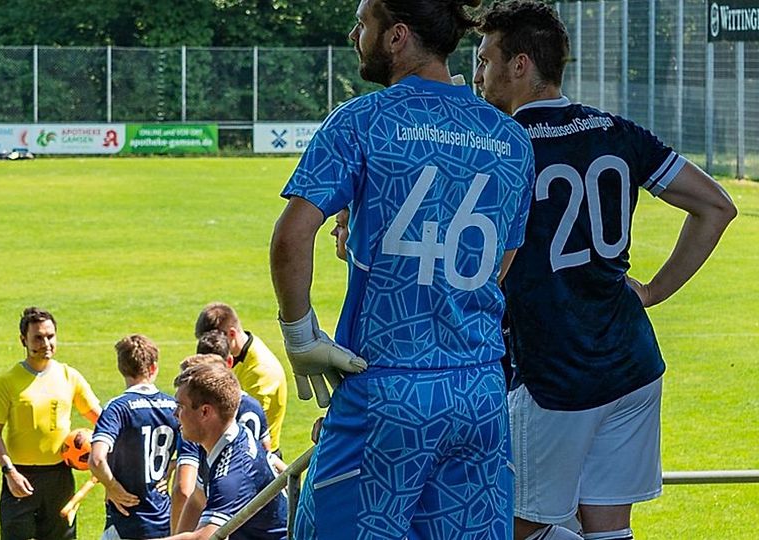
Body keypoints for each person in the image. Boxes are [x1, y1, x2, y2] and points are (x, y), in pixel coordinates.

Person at [270, 0, 537, 537]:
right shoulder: (511, 139)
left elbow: (292, 236)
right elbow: (499, 263)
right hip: (479, 391)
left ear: (396, 36)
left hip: (386, 388)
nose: (353, 34)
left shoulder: (362, 119)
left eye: (363, 23)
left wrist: (300, 336)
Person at [473, 3, 738, 540]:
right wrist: (653, 292)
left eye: (485, 60)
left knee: (516, 528)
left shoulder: (502, 147)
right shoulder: (617, 130)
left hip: (555, 374)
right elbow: (716, 206)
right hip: (632, 364)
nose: (477, 74)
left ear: (519, 65)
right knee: (609, 529)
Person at [0, 307, 102, 540]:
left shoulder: (70, 376)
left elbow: (101, 420)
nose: (46, 343)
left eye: (50, 336)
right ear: (23, 340)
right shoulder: (7, 382)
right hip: (20, 477)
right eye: (38, 337)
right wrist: (9, 471)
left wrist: (105, 454)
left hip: (59, 477)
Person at [159, 362, 287, 540]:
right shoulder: (215, 439)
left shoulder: (234, 473)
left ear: (205, 412)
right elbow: (197, 499)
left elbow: (207, 538)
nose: (175, 414)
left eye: (181, 407)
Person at [89, 334, 179, 540]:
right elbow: (194, 452)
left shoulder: (118, 407)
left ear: (121, 367)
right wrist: (170, 469)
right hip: (164, 518)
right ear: (154, 367)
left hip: (126, 521)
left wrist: (112, 486)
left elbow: (96, 459)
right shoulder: (173, 406)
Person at [193, 303, 287, 455]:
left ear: (231, 334)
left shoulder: (260, 373)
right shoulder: (238, 353)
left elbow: (251, 430)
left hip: (254, 455)